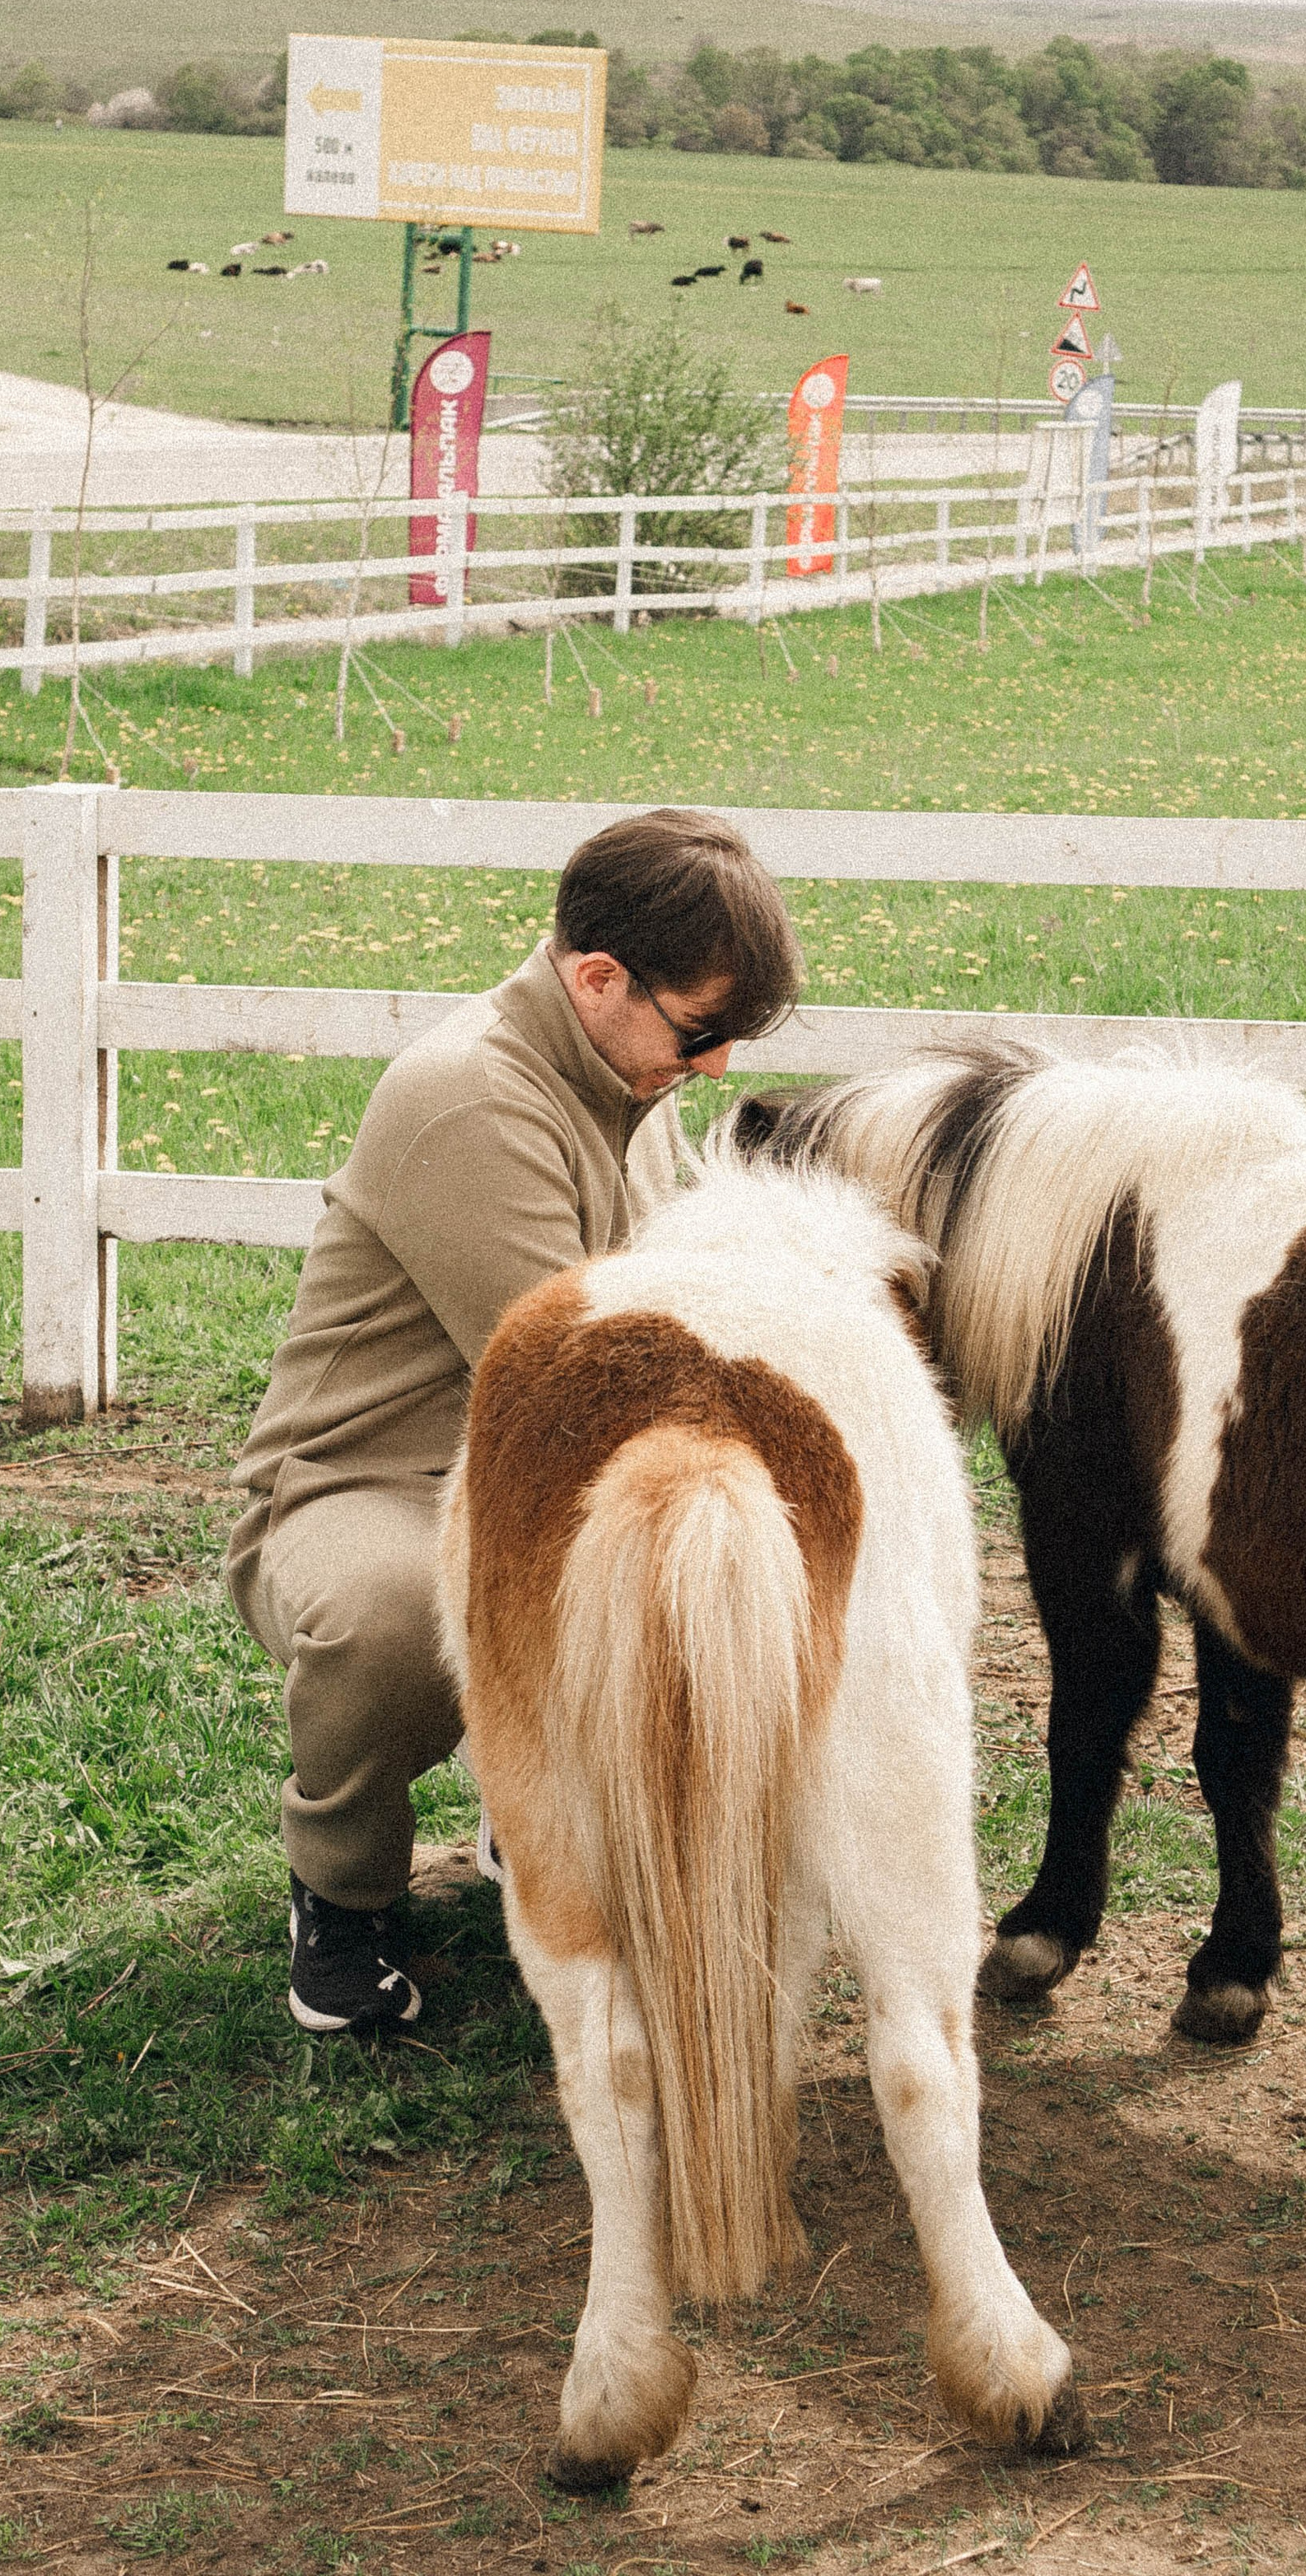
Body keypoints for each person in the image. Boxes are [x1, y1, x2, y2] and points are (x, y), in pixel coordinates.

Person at [228, 806, 803, 2033]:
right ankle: (341, 1892)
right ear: (598, 979)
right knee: (400, 1620)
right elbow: (582, 1381)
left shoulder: (623, 1078)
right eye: (701, 1032)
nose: (714, 1068)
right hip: (370, 1485)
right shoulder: (472, 1102)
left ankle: (535, 1812)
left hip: (536, 1468)